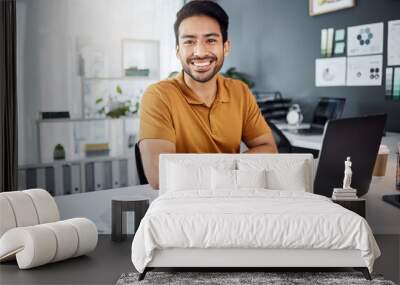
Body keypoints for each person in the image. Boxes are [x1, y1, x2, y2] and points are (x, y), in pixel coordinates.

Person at [139, 0, 277, 189]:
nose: (200, 52)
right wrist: (233, 169)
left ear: (226, 47)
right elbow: (160, 176)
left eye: (211, 40)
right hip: (181, 207)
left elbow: (269, 150)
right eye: (189, 41)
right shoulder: (159, 96)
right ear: (178, 51)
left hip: (232, 200)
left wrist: (211, 172)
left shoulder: (240, 91)